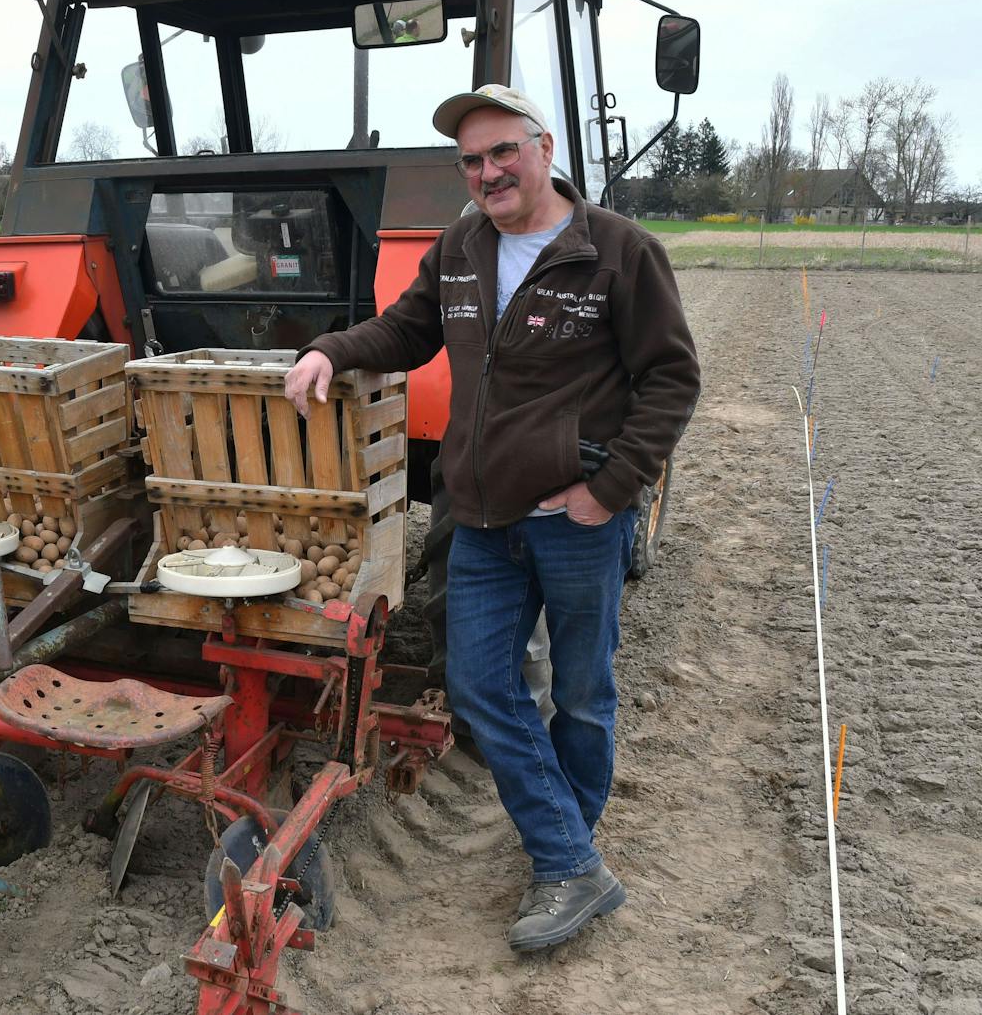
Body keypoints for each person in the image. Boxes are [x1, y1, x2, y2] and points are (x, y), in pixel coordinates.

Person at [284, 84, 699, 951]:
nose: (488, 172)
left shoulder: (618, 251)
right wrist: (329, 349)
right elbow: (408, 331)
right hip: (478, 517)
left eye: (504, 151)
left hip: (575, 521)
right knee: (479, 687)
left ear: (544, 149)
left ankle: (563, 855)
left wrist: (610, 489)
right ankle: (570, 858)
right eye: (471, 161)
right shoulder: (462, 246)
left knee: (581, 694)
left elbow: (671, 379)